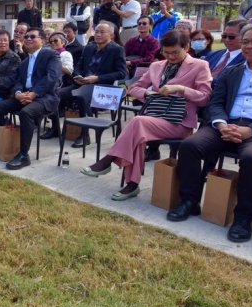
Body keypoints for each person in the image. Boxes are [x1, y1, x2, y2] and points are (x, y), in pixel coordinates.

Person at [166, 22, 252, 243]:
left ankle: (243, 217)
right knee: (190, 146)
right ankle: (189, 201)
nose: (249, 46)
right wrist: (221, 124)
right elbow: (215, 102)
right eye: (246, 41)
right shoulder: (232, 72)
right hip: (226, 125)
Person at [81, 30, 212, 200]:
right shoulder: (157, 66)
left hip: (179, 122)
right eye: (166, 52)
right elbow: (134, 88)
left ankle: (109, 160)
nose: (170, 56)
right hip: (154, 116)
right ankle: (132, 184)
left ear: (186, 47)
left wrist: (181, 89)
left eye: (175, 52)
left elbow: (205, 98)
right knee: (138, 134)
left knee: (137, 123)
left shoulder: (200, 66)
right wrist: (147, 94)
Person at [0, 28, 62, 169]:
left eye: (32, 37)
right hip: (25, 95)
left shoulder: (51, 55)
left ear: (42, 40)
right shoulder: (24, 62)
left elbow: (52, 78)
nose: (28, 39)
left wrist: (34, 93)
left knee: (26, 113)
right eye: (27, 37)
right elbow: (18, 81)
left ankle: (24, 155)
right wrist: (18, 93)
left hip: (45, 97)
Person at [59, 21, 127, 146]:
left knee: (81, 97)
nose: (98, 34)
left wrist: (97, 78)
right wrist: (77, 76)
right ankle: (55, 129)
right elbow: (78, 66)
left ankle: (84, 135)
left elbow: (122, 73)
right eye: (96, 31)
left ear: (111, 35)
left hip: (104, 88)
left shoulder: (117, 50)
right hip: (83, 84)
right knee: (57, 94)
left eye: (102, 32)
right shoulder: (89, 47)